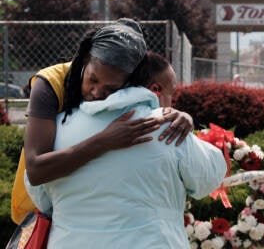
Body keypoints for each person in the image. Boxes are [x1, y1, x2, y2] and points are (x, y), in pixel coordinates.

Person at [24, 52, 227, 248]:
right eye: (170, 93)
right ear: (154, 88)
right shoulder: (170, 128)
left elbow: (40, 197)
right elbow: (210, 178)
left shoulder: (57, 128)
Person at [11, 18, 194, 225]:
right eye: (93, 79)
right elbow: (36, 170)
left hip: (89, 210)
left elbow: (152, 110)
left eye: (111, 89)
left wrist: (180, 116)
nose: (97, 93)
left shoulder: (128, 89)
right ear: (85, 59)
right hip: (39, 211)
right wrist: (105, 141)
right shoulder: (49, 84)